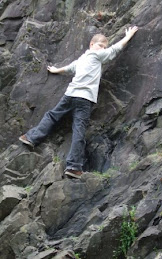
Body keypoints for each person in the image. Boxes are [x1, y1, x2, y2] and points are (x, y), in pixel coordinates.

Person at [19, 26, 138, 179]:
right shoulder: (96, 56)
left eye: (104, 47)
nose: (102, 49)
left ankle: (31, 138)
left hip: (70, 94)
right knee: (78, 130)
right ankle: (74, 167)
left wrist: (56, 70)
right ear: (92, 44)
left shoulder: (83, 58)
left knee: (52, 116)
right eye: (100, 46)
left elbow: (69, 68)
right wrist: (128, 36)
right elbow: (115, 49)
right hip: (84, 99)